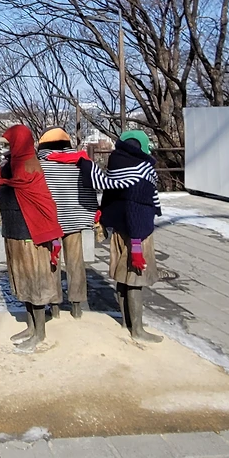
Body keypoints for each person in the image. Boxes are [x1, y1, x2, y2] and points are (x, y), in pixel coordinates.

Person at [80, 129, 162, 343]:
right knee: (135, 279)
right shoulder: (141, 170)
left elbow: (108, 196)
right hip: (138, 234)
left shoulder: (116, 167)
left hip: (118, 230)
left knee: (122, 276)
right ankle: (138, 330)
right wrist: (137, 243)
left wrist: (105, 220)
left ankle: (126, 322)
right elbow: (137, 209)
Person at [0, 124, 64, 352]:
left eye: (9, 143)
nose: (6, 147)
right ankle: (31, 325)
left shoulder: (27, 165)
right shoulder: (12, 165)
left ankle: (39, 332)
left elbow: (38, 199)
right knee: (22, 280)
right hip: (13, 230)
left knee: (34, 282)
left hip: (30, 233)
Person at [36, 127, 98, 318]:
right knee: (76, 262)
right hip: (75, 219)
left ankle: (54, 306)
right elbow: (90, 191)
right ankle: (77, 306)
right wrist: (90, 214)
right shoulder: (81, 162)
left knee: (52, 261)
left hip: (51, 222)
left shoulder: (41, 166)